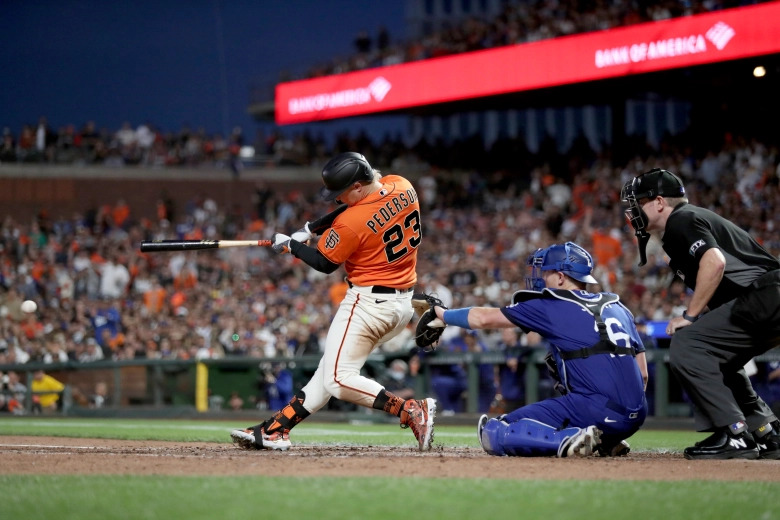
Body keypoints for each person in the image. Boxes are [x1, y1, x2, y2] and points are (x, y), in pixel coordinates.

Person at [231, 152, 436, 451]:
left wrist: (291, 246)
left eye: (342, 193)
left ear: (356, 186)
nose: (337, 200)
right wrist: (311, 228)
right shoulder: (402, 185)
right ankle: (277, 429)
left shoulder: (353, 220)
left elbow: (325, 263)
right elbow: (365, 199)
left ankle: (408, 410)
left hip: (367, 304)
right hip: (400, 305)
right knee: (330, 372)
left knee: (339, 379)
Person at [430, 241, 648, 458]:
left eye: (547, 272)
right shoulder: (618, 307)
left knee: (495, 430)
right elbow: (643, 375)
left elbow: (482, 319)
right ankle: (606, 440)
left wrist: (442, 314)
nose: (542, 278)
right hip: (636, 416)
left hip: (596, 411)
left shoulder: (550, 305)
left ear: (561, 277)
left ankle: (568, 440)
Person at [621, 168, 780, 460]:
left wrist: (690, 316)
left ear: (659, 202)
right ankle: (765, 431)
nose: (632, 212)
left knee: (688, 344)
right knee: (721, 360)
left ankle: (733, 433)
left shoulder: (681, 219)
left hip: (765, 296)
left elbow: (715, 261)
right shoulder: (679, 229)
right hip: (766, 298)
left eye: (638, 203)